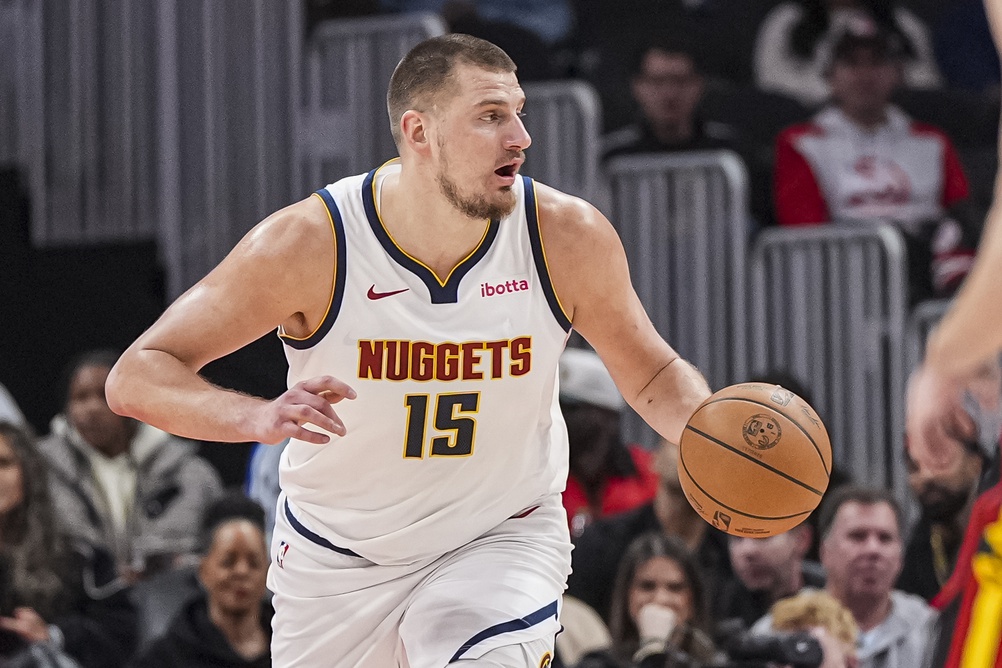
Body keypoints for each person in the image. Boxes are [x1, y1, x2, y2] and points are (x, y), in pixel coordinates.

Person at [105, 34, 713, 668]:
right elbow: (138, 376)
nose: (520, 137)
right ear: (420, 132)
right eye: (489, 116)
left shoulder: (565, 237)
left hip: (499, 537)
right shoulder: (312, 243)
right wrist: (255, 417)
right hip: (337, 559)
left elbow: (652, 372)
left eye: (518, 111)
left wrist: (709, 437)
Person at [773, 20, 978, 304]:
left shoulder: (931, 140)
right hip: (842, 280)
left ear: (897, 73)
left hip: (929, 275)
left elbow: (961, 214)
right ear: (829, 75)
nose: (865, 75)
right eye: (852, 63)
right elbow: (805, 233)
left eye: (877, 62)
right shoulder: (801, 142)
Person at [37, 349, 224, 582]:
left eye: (103, 395)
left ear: (131, 400)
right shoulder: (41, 470)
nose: (92, 409)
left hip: (168, 595)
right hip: (78, 599)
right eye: (81, 397)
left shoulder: (189, 472)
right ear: (66, 407)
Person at [0, 421, 136, 668]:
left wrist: (54, 635)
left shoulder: (81, 558)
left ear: (30, 473)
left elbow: (121, 637)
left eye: (3, 464)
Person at [752, 486, 935, 668]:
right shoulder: (780, 629)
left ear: (901, 557)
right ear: (825, 551)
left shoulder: (931, 631)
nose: (873, 549)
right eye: (858, 536)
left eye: (885, 538)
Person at [566, 440, 731, 623]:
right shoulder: (599, 544)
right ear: (655, 458)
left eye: (711, 450)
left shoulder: (734, 555)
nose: (694, 456)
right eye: (680, 442)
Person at [130, 492, 272, 668]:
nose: (242, 572)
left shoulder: (292, 640)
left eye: (254, 563)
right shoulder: (170, 655)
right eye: (228, 562)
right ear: (203, 570)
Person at [753, 0, 941, 107]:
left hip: (889, 125)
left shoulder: (901, 23)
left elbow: (927, 82)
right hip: (809, 123)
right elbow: (770, 81)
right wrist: (833, 91)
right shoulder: (787, 19)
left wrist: (888, 87)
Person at [574, 532, 719, 668]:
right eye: (647, 586)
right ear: (626, 595)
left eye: (675, 588)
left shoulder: (721, 660)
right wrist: (653, 649)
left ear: (694, 598)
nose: (660, 599)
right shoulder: (597, 663)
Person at [558, 347, 658, 539]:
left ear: (607, 417)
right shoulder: (542, 478)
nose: (560, 417)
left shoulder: (648, 476)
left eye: (572, 409)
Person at [897, 431, 986, 601]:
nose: (927, 476)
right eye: (914, 467)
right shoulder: (915, 548)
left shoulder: (996, 533)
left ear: (976, 464)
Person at [714, 523, 825, 637]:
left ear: (801, 539)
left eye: (763, 535)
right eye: (737, 538)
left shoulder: (836, 604)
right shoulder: (714, 611)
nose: (747, 550)